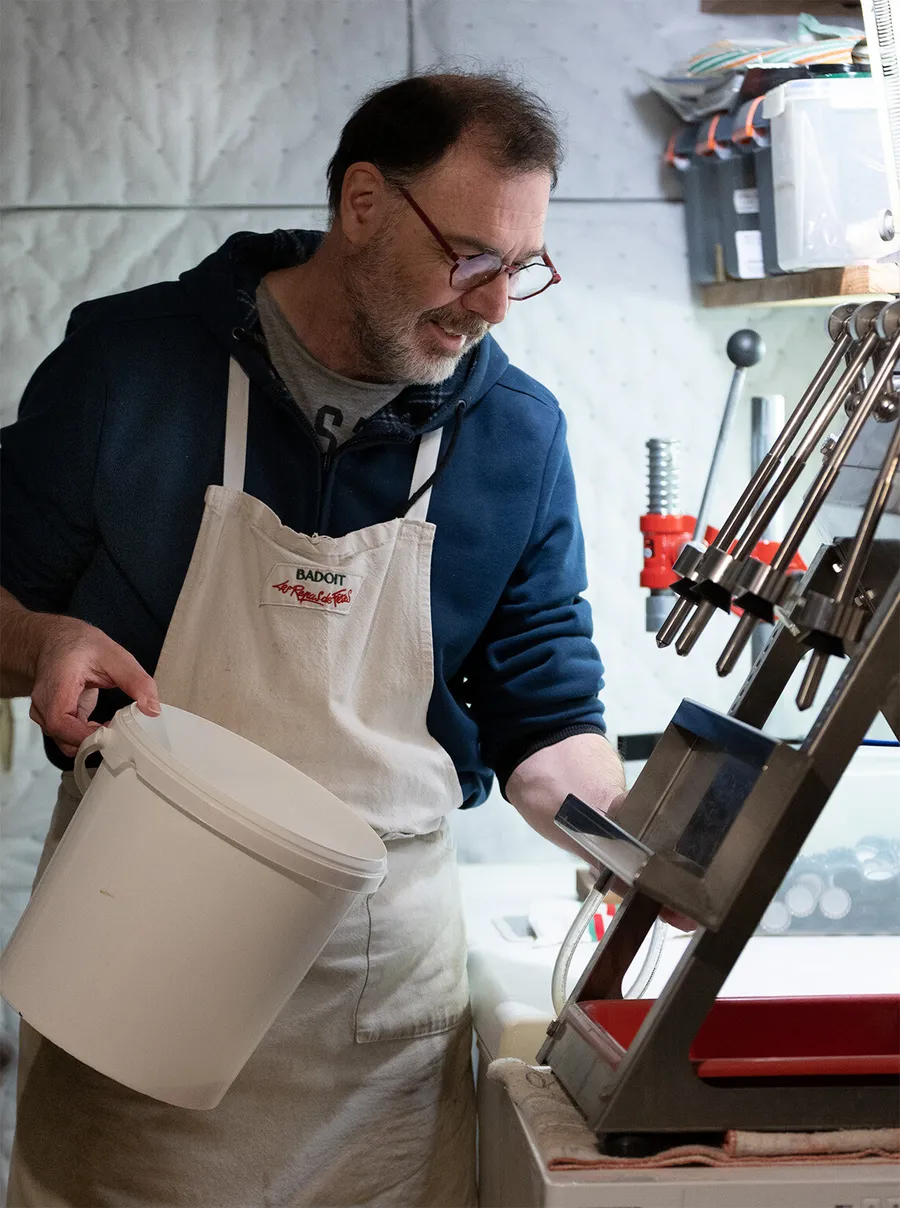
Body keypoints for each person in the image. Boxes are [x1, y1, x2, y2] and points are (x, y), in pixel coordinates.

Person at [0, 71, 625, 1206]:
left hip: (373, 1036)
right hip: (131, 967)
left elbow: (547, 724)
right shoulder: (128, 364)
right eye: (471, 257)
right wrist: (43, 634)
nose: (491, 305)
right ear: (364, 204)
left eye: (520, 268)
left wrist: (636, 844)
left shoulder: (518, 435)